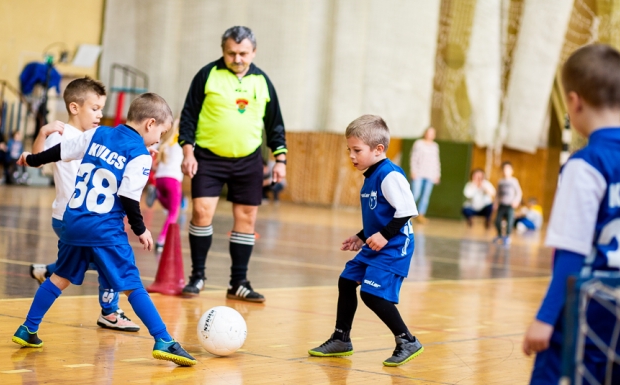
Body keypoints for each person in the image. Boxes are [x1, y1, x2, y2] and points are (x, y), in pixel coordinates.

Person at [523, 44, 620, 385]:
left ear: (573, 101)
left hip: (581, 305)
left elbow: (571, 255)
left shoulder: (585, 165)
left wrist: (547, 318)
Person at [13, 93, 196, 367]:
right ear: (150, 124)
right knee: (132, 285)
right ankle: (163, 340)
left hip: (73, 223)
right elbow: (128, 198)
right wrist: (141, 228)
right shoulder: (139, 156)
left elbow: (60, 152)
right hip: (104, 229)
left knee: (59, 278)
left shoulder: (97, 133)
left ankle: (27, 329)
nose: (159, 139)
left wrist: (33, 160)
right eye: (161, 131)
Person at [179, 25, 287, 302]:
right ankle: (198, 276)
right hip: (208, 157)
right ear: (223, 51)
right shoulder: (207, 75)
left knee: (247, 219)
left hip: (248, 160)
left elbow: (274, 125)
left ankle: (239, 282)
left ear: (254, 51)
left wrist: (280, 160)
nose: (237, 58)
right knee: (202, 213)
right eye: (231, 53)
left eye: (243, 53)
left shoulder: (262, 81)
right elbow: (188, 116)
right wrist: (188, 152)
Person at [308, 115, 423, 367]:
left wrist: (383, 236)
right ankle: (341, 339)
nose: (351, 155)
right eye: (349, 149)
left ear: (378, 149)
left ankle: (407, 340)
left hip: (394, 246)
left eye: (357, 150)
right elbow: (381, 214)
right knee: (347, 281)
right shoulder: (370, 176)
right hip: (377, 243)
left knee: (372, 294)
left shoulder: (389, 174)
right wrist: (361, 236)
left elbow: (406, 210)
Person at [28, 77, 141, 332]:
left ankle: (48, 273)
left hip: (88, 216)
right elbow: (35, 158)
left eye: (102, 108)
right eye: (95, 108)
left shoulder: (96, 136)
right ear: (74, 107)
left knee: (86, 261)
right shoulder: (62, 135)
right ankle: (110, 313)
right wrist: (43, 132)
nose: (100, 114)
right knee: (107, 258)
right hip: (73, 215)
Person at [151, 120, 184, 252]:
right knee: (173, 212)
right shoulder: (184, 141)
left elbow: (150, 152)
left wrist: (153, 168)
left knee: (170, 208)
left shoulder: (164, 140)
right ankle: (161, 240)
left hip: (159, 178)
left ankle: (157, 194)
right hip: (173, 179)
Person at [410, 126, 440, 224]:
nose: (430, 135)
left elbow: (436, 161)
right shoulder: (418, 143)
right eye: (428, 132)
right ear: (425, 133)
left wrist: (437, 174)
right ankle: (407, 214)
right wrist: (413, 171)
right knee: (415, 194)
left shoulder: (435, 146)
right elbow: (413, 158)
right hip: (418, 173)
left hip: (430, 175)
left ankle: (421, 215)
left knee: (425, 196)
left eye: (432, 133)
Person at [494, 162, 522, 245]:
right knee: (497, 221)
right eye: (504, 169)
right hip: (502, 205)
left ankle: (507, 236)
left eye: (508, 169)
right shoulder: (500, 182)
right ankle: (499, 235)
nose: (506, 171)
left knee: (510, 222)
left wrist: (516, 201)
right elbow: (497, 193)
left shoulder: (514, 181)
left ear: (512, 171)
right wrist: (495, 202)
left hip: (510, 205)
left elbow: (519, 192)